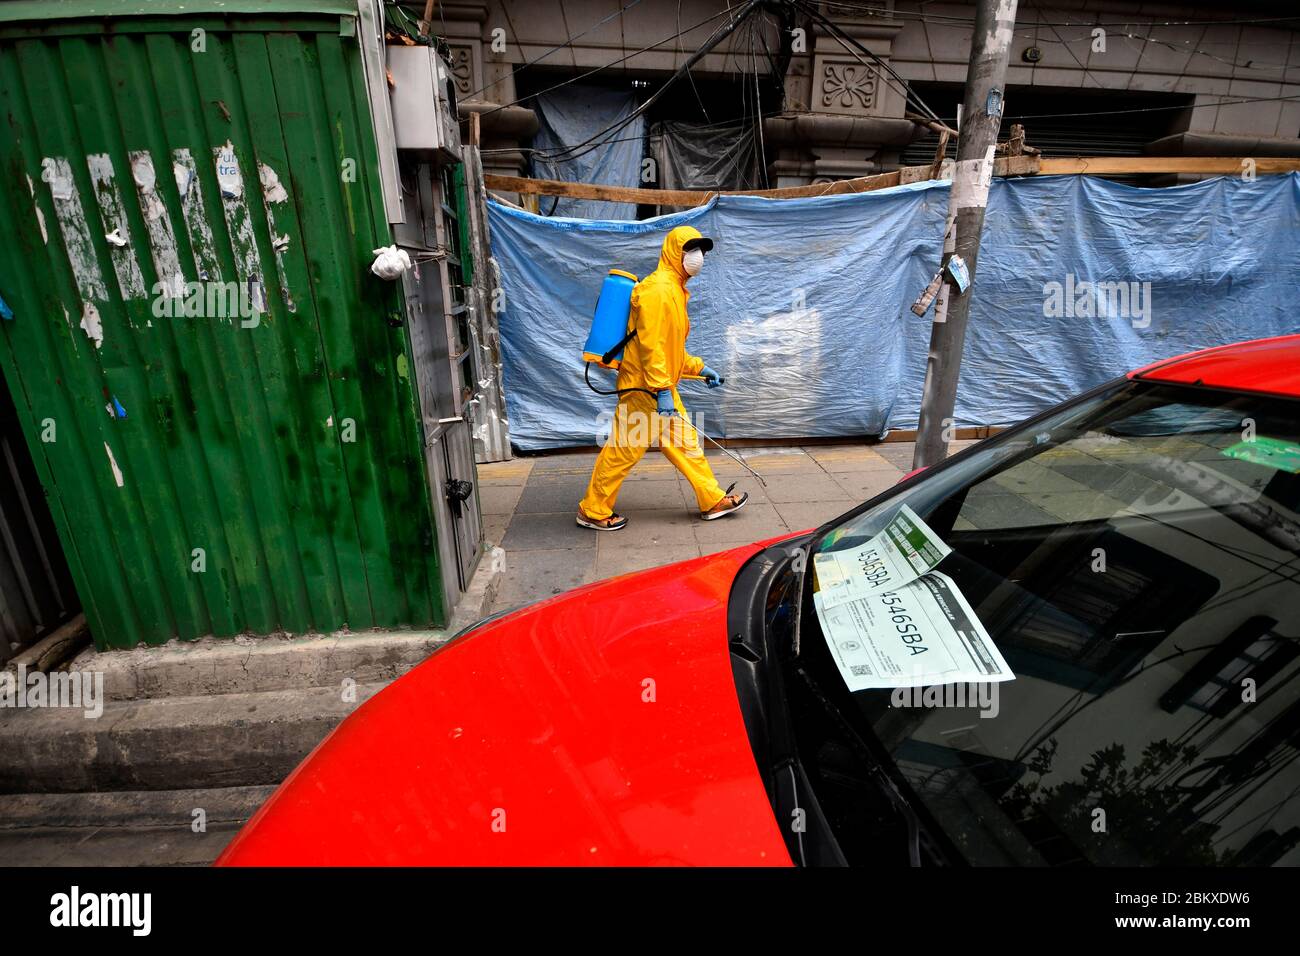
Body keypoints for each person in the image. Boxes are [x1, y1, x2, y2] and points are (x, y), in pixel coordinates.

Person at [577, 225, 748, 531]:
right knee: (623, 450)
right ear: (674, 252)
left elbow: (670, 348)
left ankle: (711, 499)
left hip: (659, 387)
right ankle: (593, 509)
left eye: (701, 251)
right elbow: (651, 346)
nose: (698, 257)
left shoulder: (674, 290)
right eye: (691, 250)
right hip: (644, 388)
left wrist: (699, 368)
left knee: (685, 445)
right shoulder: (658, 290)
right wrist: (661, 390)